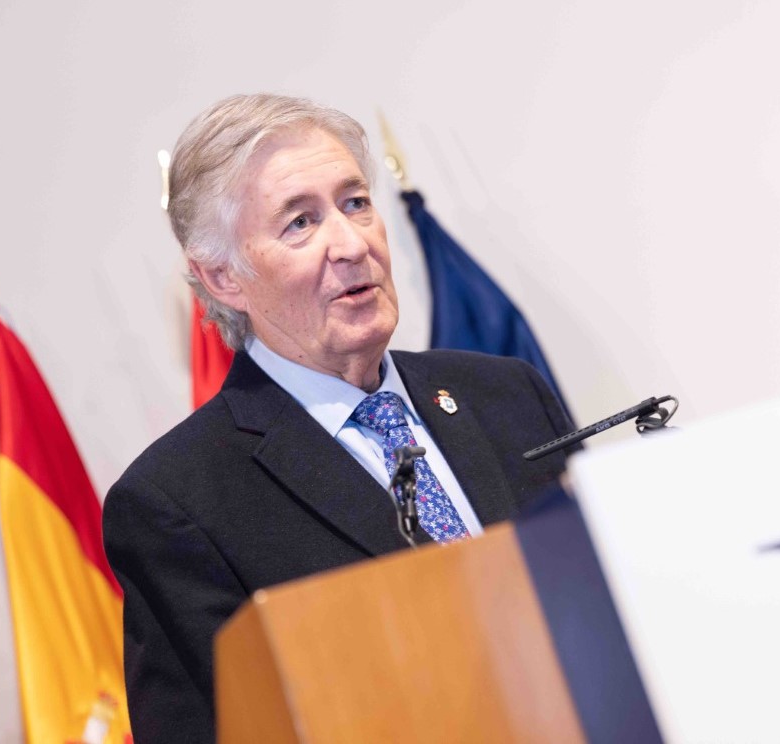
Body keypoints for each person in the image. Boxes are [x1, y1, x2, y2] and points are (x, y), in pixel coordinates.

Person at [102, 94, 577, 743]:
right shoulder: (176, 503)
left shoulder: (507, 394)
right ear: (223, 278)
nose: (352, 244)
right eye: (300, 222)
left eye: (356, 203)